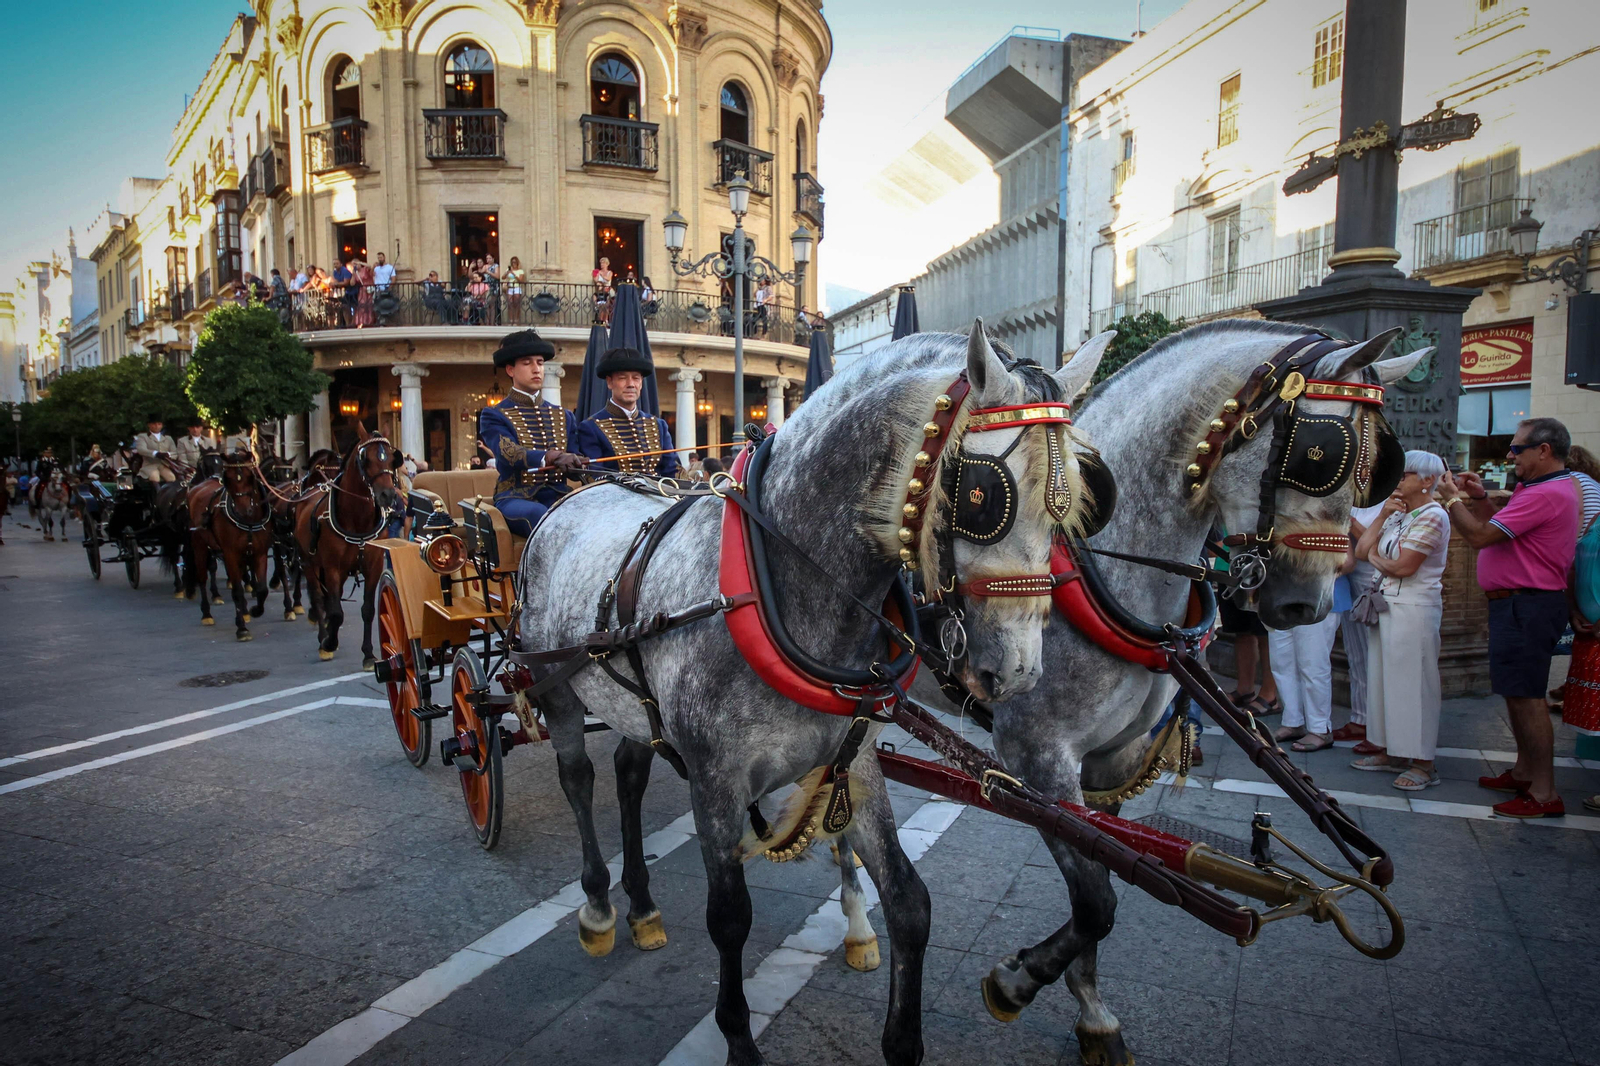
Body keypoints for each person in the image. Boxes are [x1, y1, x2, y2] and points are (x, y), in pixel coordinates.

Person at [1440, 417, 1580, 818]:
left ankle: (1543, 791)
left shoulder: (1547, 493)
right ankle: (1524, 771)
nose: (1509, 454)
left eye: (1517, 448)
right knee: (1518, 695)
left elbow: (1481, 537)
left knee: (1528, 698)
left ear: (1545, 450)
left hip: (1527, 604)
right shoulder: (1537, 488)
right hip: (1520, 603)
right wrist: (1481, 497)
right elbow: (1496, 527)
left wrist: (1451, 500)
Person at [1349, 452, 1452, 790]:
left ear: (1426, 481)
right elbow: (1363, 549)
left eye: (1404, 474)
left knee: (1414, 685)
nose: (1397, 480)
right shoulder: (1400, 513)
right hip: (1388, 606)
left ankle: (1424, 763)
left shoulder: (1433, 516)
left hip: (1414, 607)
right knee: (1384, 682)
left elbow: (1405, 567)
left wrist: (1376, 556)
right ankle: (1393, 750)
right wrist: (1382, 518)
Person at [477, 330, 584, 536]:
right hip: (515, 498)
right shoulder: (494, 414)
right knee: (540, 514)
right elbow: (509, 453)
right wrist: (550, 456)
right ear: (510, 370)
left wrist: (578, 463)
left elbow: (574, 453)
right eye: (527, 363)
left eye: (540, 363)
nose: (537, 370)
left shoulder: (563, 415)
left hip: (559, 494)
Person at [576, 346, 679, 478]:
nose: (631, 384)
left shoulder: (658, 425)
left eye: (636, 378)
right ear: (609, 382)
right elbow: (596, 477)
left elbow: (672, 470)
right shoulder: (591, 427)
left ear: (641, 383)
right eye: (622, 378)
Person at [1336, 502, 1387, 749]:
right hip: (1350, 574)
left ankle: (1379, 725)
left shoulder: (1390, 500)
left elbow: (1374, 546)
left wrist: (1348, 522)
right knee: (1355, 651)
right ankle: (1361, 717)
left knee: (1374, 651)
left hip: (1374, 576)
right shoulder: (1356, 495)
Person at [133, 415, 178, 485]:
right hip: (149, 465)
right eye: (154, 424)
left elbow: (175, 453)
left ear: (162, 426)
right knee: (155, 477)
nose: (157, 426)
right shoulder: (143, 436)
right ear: (149, 425)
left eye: (159, 424)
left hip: (164, 465)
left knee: (171, 477)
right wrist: (155, 453)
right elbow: (141, 450)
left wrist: (168, 454)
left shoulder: (168, 438)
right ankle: (156, 495)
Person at [353, 260, 376, 328]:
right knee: (362, 306)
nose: (355, 266)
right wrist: (353, 274)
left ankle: (370, 321)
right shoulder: (356, 272)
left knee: (369, 305)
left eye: (356, 264)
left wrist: (360, 262)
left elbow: (369, 266)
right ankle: (361, 321)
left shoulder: (365, 269)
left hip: (369, 288)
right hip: (362, 290)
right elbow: (352, 283)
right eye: (354, 265)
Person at [593, 257, 614, 325]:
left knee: (608, 303)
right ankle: (601, 319)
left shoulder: (609, 272)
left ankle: (607, 320)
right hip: (600, 290)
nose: (602, 264)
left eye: (603, 263)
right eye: (601, 263)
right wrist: (595, 274)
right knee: (601, 305)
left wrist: (602, 275)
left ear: (607, 264)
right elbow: (596, 280)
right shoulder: (599, 272)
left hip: (608, 290)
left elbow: (608, 279)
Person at [504, 256, 524, 321]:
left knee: (516, 303)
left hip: (517, 287)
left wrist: (514, 274)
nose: (514, 263)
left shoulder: (520, 271)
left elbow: (520, 280)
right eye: (512, 262)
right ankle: (511, 319)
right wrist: (507, 273)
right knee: (510, 304)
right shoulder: (509, 270)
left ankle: (516, 319)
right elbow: (503, 277)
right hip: (510, 287)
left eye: (515, 262)